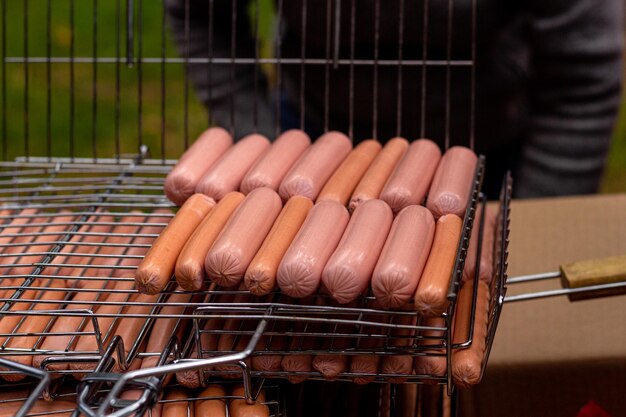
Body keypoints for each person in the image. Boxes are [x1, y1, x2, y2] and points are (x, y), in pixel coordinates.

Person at [165, 0, 623, 198]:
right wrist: (260, 143)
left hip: (485, 153)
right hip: (311, 138)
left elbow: (581, 81)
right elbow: (202, 14)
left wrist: (534, 229)